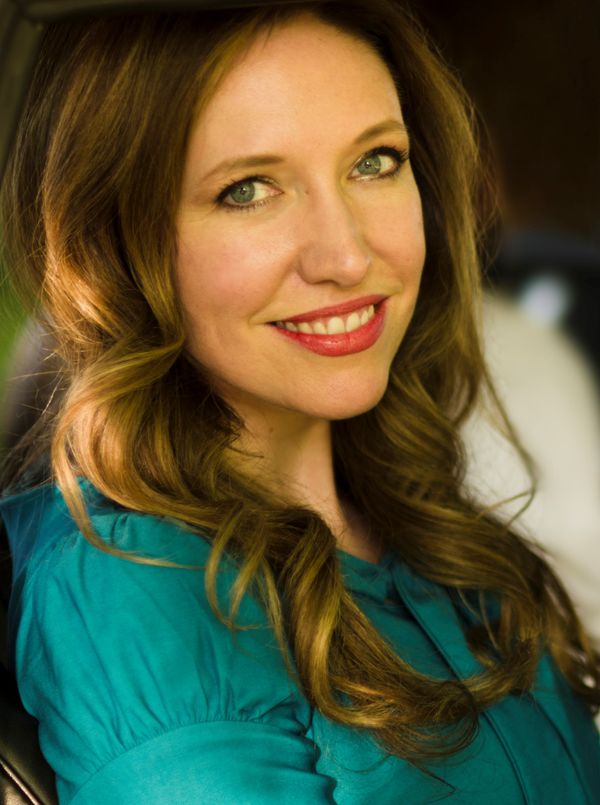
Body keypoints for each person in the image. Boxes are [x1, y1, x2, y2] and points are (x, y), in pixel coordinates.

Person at [0, 1, 599, 802]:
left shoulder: (427, 529)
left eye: (375, 162)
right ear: (119, 239)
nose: (347, 254)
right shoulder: (131, 590)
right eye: (247, 189)